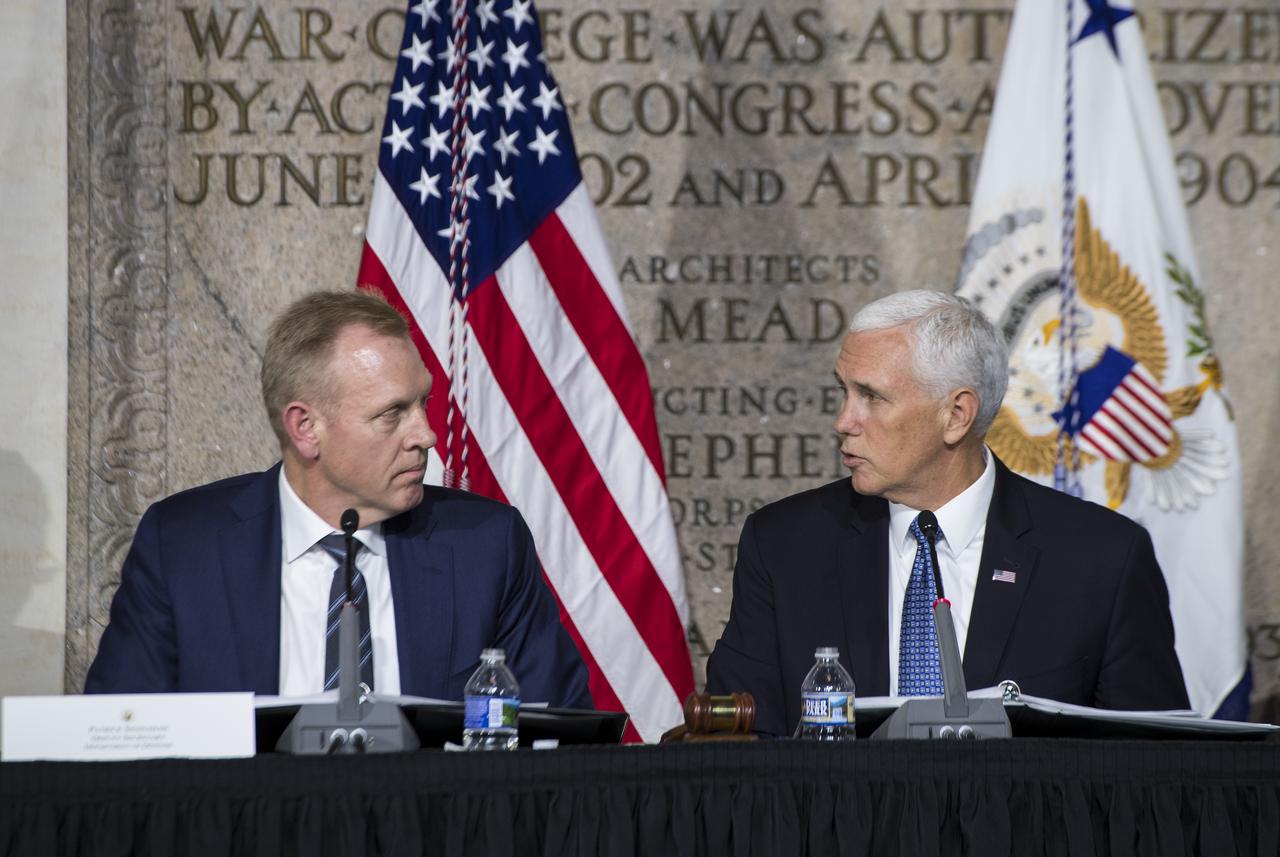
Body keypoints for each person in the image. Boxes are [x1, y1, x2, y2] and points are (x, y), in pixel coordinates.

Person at [706, 290, 1188, 737]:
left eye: (871, 397)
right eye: (844, 392)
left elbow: (1152, 770)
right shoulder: (785, 545)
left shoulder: (1101, 558)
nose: (843, 421)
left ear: (957, 415)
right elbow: (737, 747)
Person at [86, 289, 592, 708]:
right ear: (306, 428)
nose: (427, 434)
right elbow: (119, 740)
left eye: (423, 403)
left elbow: (559, 733)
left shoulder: (485, 545)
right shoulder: (183, 547)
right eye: (392, 413)